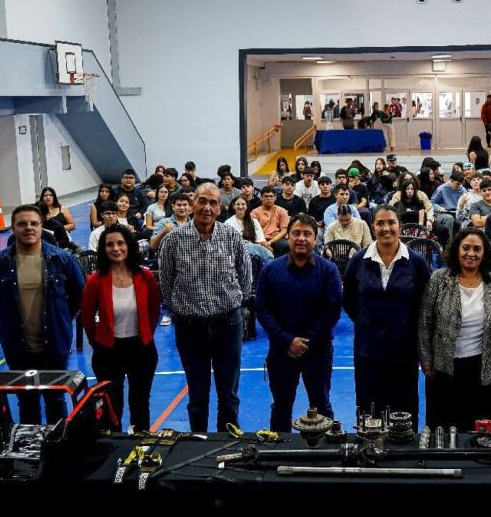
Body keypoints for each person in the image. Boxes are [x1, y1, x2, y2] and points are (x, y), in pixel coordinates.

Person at [158, 182, 252, 432]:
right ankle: (197, 444)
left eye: (213, 203)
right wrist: (185, 308)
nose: (207, 208)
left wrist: (229, 306)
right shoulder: (174, 240)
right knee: (197, 396)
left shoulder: (232, 236)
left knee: (229, 394)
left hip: (228, 325)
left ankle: (228, 444)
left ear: (220, 208)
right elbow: (166, 284)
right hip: (190, 328)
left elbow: (245, 279)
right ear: (192, 204)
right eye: (202, 201)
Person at [0, 205, 84, 424]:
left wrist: (62, 320)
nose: (29, 228)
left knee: (56, 399)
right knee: (26, 401)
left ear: (41, 226)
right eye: (22, 224)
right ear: (13, 228)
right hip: (16, 345)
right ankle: (32, 452)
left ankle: (56, 451)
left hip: (55, 342)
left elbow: (78, 296)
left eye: (34, 223)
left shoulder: (62, 259)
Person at [419, 228, 491, 431]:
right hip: (445, 367)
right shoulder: (438, 279)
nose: (471, 253)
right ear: (456, 250)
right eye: (466, 248)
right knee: (443, 429)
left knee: (481, 431)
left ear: (484, 253)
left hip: (484, 367)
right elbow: (425, 321)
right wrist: (426, 358)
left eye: (477, 249)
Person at [343, 205, 431, 425]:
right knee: (368, 409)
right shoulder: (358, 261)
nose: (386, 228)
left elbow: (425, 304)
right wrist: (368, 322)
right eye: (380, 223)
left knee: (404, 411)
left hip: (404, 351)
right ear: (373, 227)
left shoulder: (417, 263)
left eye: (391, 222)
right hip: (367, 351)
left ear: (399, 226)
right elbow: (349, 301)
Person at [257, 213, 342, 431]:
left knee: (321, 404)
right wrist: (287, 340)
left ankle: (325, 453)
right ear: (288, 236)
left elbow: (331, 311)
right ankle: (278, 451)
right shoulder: (271, 270)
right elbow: (263, 310)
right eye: (296, 233)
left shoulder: (328, 270)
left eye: (307, 234)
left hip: (318, 350)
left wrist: (305, 341)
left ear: (315, 239)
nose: (301, 238)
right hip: (281, 351)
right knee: (281, 405)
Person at [81, 225, 160, 431]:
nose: (115, 248)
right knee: (111, 405)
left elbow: (153, 311)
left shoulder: (145, 277)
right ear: (103, 249)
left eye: (120, 243)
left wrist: (144, 336)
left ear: (129, 246)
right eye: (109, 244)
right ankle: (115, 448)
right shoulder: (95, 280)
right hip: (108, 351)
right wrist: (99, 342)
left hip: (141, 349)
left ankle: (140, 446)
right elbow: (87, 318)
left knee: (140, 402)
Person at [224, 196, 274, 263]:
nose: (240, 207)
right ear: (233, 206)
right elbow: (228, 243)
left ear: (247, 206)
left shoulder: (253, 221)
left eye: (243, 204)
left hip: (254, 249)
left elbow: (260, 240)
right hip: (236, 250)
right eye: (238, 204)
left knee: (266, 253)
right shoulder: (228, 223)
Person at [251, 187, 291, 257]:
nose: (269, 198)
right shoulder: (255, 212)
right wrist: (263, 243)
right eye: (266, 196)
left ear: (275, 198)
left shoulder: (282, 211)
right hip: (260, 240)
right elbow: (253, 231)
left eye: (271, 196)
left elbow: (284, 231)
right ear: (261, 198)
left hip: (277, 239)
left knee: (285, 244)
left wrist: (270, 242)